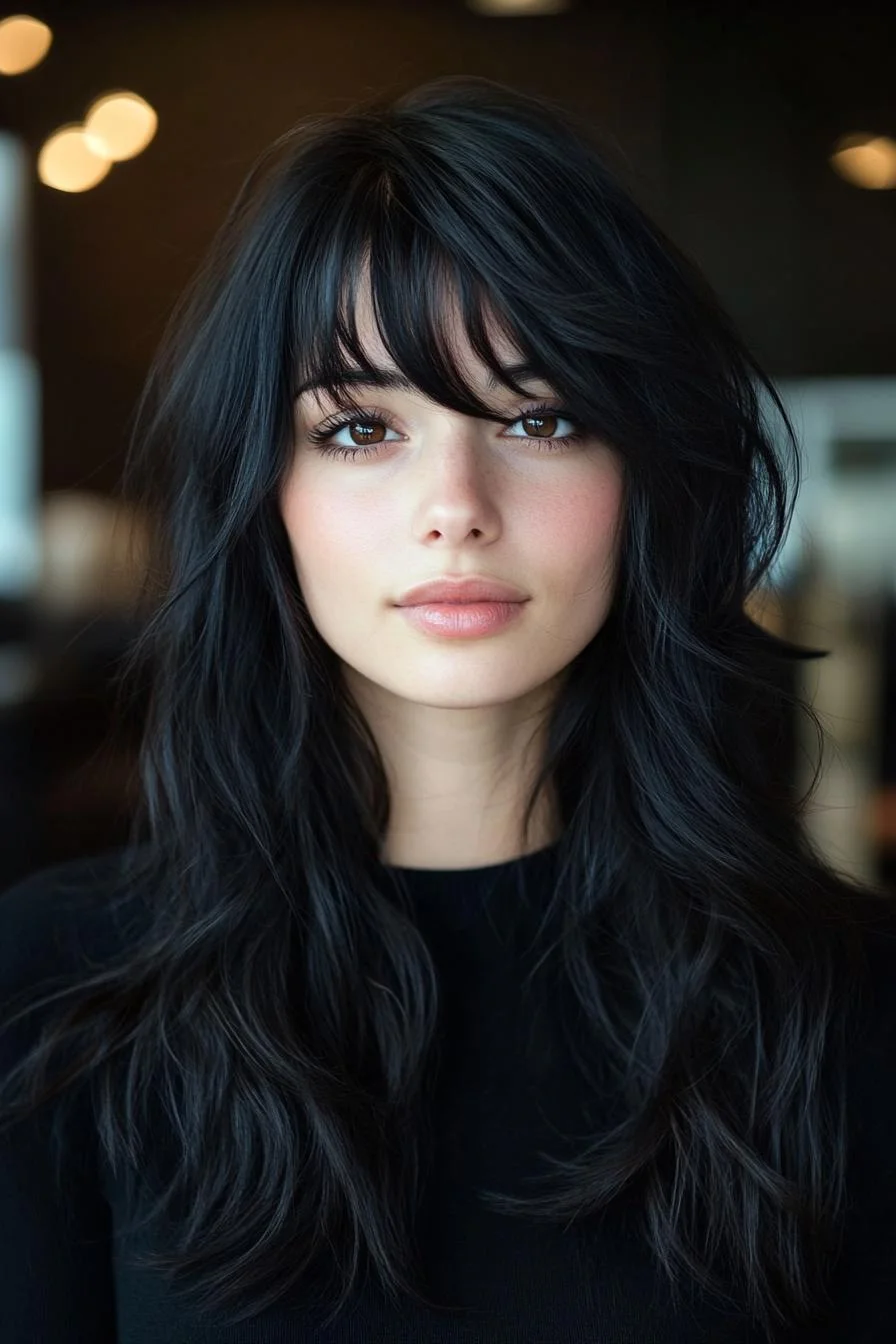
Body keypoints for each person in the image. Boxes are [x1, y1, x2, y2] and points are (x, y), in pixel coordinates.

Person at [1, 74, 895, 1344]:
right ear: (266, 493)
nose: (455, 504)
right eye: (362, 429)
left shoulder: (847, 1009)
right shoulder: (54, 991)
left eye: (538, 414)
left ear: (647, 473)